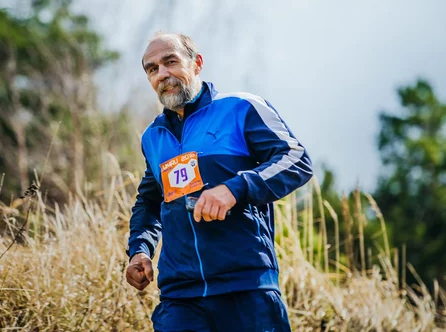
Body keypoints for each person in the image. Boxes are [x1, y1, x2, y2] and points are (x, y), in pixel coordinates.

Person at [126, 33, 313, 332]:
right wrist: (140, 250)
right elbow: (148, 203)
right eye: (152, 69)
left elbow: (296, 160)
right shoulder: (152, 137)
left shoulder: (240, 108)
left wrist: (234, 189)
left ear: (197, 64)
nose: (162, 74)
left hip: (245, 286)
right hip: (180, 296)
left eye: (170, 62)